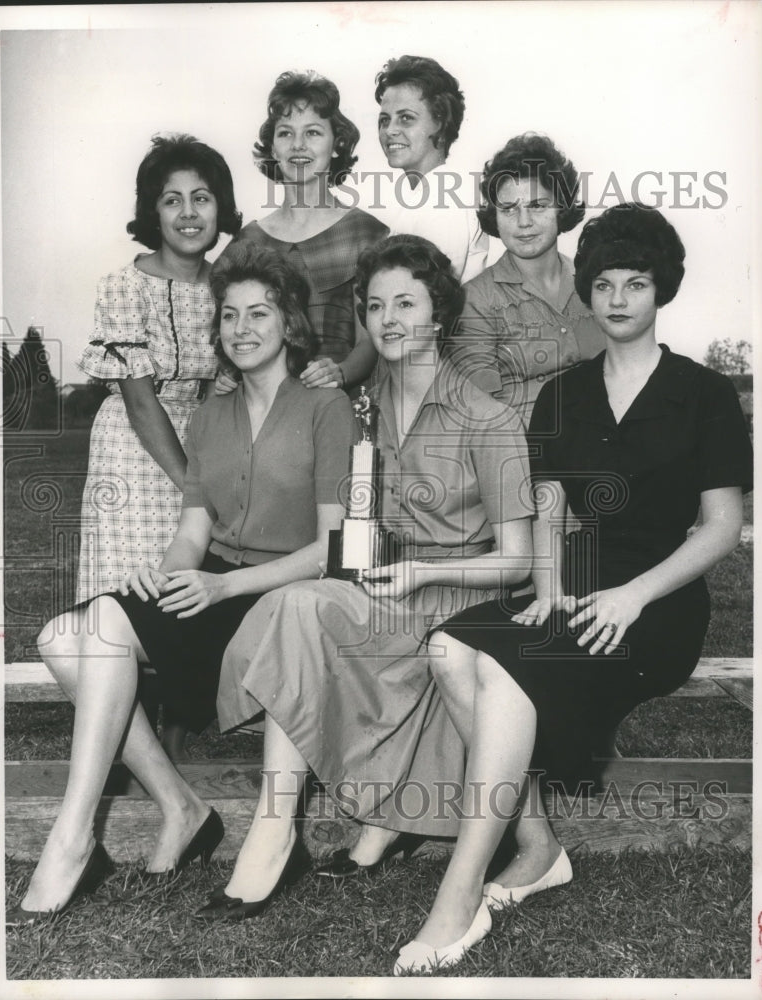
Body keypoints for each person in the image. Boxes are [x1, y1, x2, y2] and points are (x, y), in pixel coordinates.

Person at [392, 203, 753, 974]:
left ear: (662, 293)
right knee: (453, 648)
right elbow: (548, 509)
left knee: (511, 674)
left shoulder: (704, 393)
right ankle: (537, 846)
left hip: (658, 606)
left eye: (636, 283)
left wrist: (632, 598)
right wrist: (552, 588)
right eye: (602, 284)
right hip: (577, 587)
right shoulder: (563, 394)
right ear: (585, 294)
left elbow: (719, 527)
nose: (617, 298)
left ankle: (458, 894)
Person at [7, 243, 356, 925]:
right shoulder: (211, 413)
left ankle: (76, 843)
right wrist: (167, 574)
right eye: (229, 316)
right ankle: (130, 819)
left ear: (289, 321)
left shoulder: (324, 405)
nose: (242, 328)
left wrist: (223, 589)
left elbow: (331, 548)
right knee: (66, 635)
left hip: (289, 589)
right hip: (215, 577)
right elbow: (194, 531)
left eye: (259, 313)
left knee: (96, 634)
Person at [197, 234, 534, 921]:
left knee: (308, 613)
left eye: (404, 303)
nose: (387, 319)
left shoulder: (487, 417)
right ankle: (273, 825)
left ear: (437, 312)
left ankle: (377, 818)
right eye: (374, 305)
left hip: (455, 603)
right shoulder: (354, 406)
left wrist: (417, 574)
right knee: (298, 608)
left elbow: (518, 560)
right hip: (381, 591)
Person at [76, 134, 242, 606]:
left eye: (202, 198)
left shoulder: (229, 287)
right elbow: (141, 403)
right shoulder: (122, 286)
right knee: (129, 588)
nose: (189, 213)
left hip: (207, 441)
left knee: (189, 589)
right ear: (154, 212)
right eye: (173, 200)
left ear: (220, 208)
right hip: (134, 448)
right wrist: (197, 488)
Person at [233, 70, 388, 391]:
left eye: (313, 132)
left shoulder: (365, 233)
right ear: (273, 148)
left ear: (336, 145)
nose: (298, 145)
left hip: (336, 405)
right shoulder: (248, 241)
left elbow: (372, 340)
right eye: (286, 134)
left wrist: (341, 372)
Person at [449, 132, 605, 424]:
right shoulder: (475, 301)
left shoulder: (597, 285)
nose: (523, 222)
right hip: (527, 454)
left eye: (537, 205)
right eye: (508, 209)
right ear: (493, 216)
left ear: (562, 207)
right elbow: (483, 415)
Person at [375, 55, 489, 283]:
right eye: (385, 120)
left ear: (440, 122)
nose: (390, 130)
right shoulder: (428, 195)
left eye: (406, 118)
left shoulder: (442, 202)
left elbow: (426, 299)